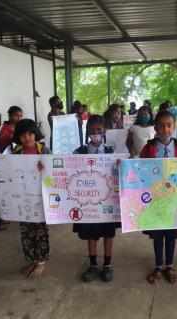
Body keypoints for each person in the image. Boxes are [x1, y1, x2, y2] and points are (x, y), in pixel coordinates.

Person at [139, 111, 177, 284]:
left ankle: (170, 265)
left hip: (174, 200)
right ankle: (158, 266)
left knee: (171, 233)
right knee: (158, 234)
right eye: (161, 125)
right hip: (156, 200)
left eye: (169, 125)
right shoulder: (149, 147)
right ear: (155, 127)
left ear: (174, 127)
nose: (165, 129)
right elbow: (140, 168)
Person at [72, 115, 117, 282]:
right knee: (91, 233)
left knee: (108, 233)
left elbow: (121, 172)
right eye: (92, 130)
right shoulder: (78, 152)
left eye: (99, 130)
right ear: (87, 131)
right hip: (87, 201)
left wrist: (121, 165)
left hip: (107, 201)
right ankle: (92, 264)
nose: (95, 133)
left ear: (104, 131)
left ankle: (107, 264)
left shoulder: (111, 152)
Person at [11, 119, 51, 279]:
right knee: (26, 232)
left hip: (41, 198)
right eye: (23, 135)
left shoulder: (44, 151)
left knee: (40, 231)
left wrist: (45, 169)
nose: (27, 137)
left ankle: (41, 262)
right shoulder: (15, 153)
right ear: (18, 137)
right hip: (23, 199)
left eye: (30, 133)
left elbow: (54, 173)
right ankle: (31, 259)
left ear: (35, 133)